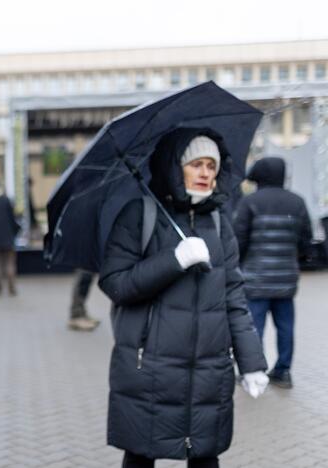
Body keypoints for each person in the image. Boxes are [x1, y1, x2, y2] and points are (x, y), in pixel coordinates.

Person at [99, 129, 268, 467]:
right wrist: (173, 261)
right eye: (196, 164)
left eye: (211, 165)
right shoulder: (140, 215)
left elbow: (233, 297)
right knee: (140, 454)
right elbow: (116, 284)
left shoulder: (220, 223)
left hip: (208, 370)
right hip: (148, 369)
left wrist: (252, 363)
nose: (206, 173)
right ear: (174, 168)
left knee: (205, 456)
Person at [234, 156, 312, 389]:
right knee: (285, 327)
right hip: (286, 279)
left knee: (254, 326)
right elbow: (306, 239)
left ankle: (253, 370)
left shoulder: (250, 202)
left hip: (256, 279)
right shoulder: (297, 202)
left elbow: (239, 240)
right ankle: (283, 371)